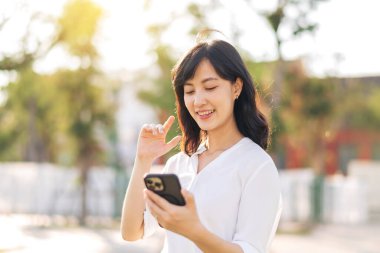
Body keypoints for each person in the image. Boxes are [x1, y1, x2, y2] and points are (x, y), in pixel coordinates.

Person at [120, 33, 282, 253]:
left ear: (236, 87)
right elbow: (131, 232)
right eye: (189, 91)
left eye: (210, 87)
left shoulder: (256, 165)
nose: (198, 101)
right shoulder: (178, 164)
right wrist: (143, 160)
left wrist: (193, 230)